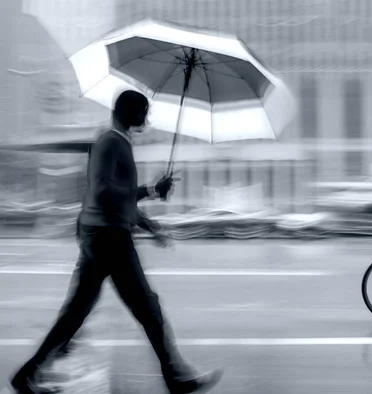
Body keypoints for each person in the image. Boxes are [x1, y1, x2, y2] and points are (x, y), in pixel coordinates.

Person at [8, 90, 223, 394]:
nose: (146, 118)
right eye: (143, 111)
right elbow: (104, 192)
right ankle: (175, 378)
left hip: (101, 234)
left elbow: (119, 199)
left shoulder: (112, 141)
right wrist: (148, 195)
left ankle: (27, 374)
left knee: (76, 313)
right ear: (130, 112)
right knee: (147, 308)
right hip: (110, 238)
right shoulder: (112, 142)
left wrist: (151, 213)